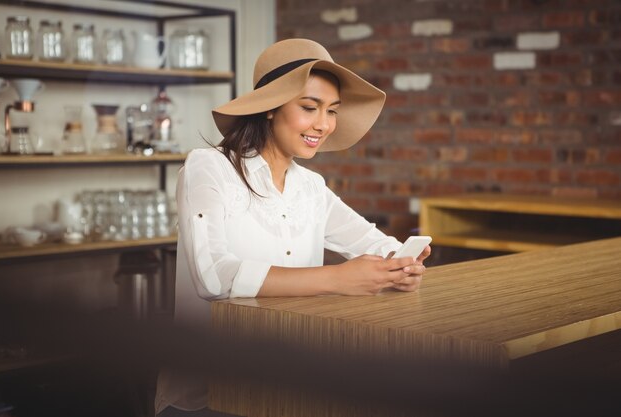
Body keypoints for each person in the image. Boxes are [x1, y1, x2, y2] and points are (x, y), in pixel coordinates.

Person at [155, 38, 431, 417]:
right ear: (270, 109)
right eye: (309, 107)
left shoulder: (310, 187)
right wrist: (338, 279)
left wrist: (400, 264)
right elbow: (213, 278)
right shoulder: (208, 167)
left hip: (291, 385)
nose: (324, 124)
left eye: (332, 111)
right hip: (208, 396)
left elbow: (373, 241)